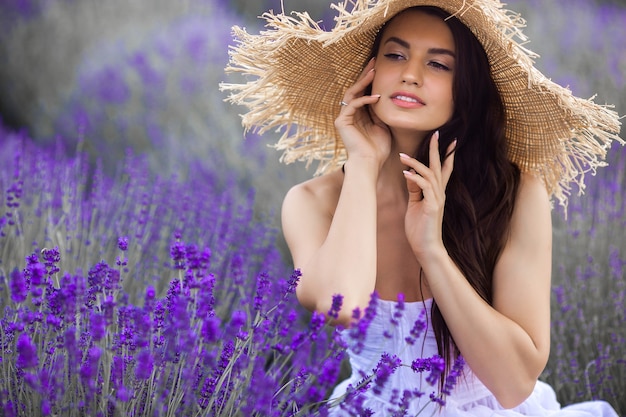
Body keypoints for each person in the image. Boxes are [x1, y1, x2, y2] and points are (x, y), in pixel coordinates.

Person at [223, 0, 622, 415]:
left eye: (439, 65)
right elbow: (341, 305)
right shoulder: (312, 202)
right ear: (368, 73)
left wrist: (431, 249)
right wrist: (363, 163)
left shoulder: (513, 193)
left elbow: (513, 384)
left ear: (466, 88)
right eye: (395, 55)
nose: (410, 75)